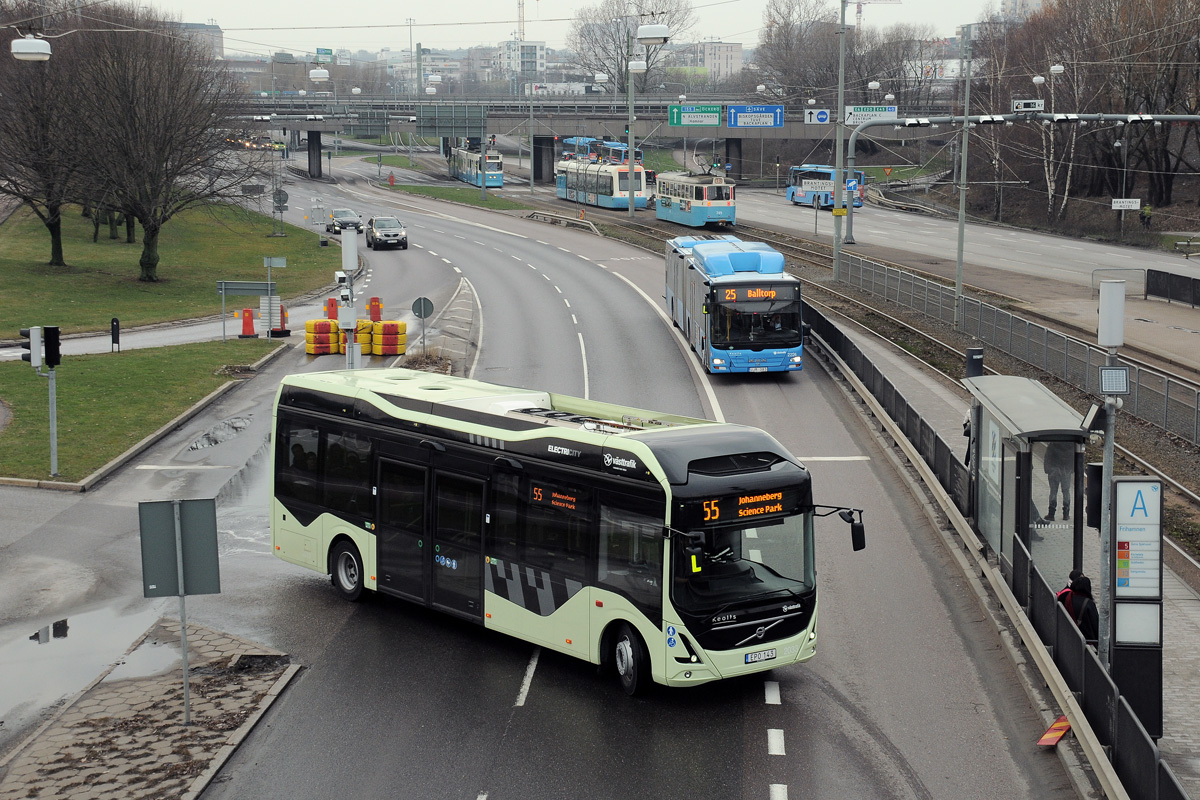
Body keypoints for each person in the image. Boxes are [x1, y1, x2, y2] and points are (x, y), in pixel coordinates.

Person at [1043, 442, 1073, 521]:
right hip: (1066, 470)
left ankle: (1051, 514)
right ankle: (1066, 514)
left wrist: (1047, 469)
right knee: (1066, 491)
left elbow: (1048, 457)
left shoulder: (1053, 444)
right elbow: (1074, 458)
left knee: (1053, 491)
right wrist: (1072, 470)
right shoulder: (1071, 444)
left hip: (1054, 470)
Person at [1068, 575, 1099, 643]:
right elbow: (1095, 624)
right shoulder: (1088, 603)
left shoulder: (1068, 598)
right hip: (1087, 639)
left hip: (1069, 636)